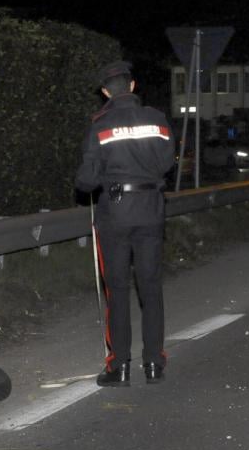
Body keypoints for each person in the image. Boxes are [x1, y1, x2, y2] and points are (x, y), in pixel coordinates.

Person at [75, 61, 176, 386]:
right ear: (132, 86)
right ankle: (153, 365)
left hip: (115, 214)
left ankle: (118, 367)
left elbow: (87, 181)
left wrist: (104, 175)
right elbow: (165, 164)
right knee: (151, 288)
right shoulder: (157, 119)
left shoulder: (100, 124)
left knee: (117, 290)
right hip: (150, 210)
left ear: (105, 91)